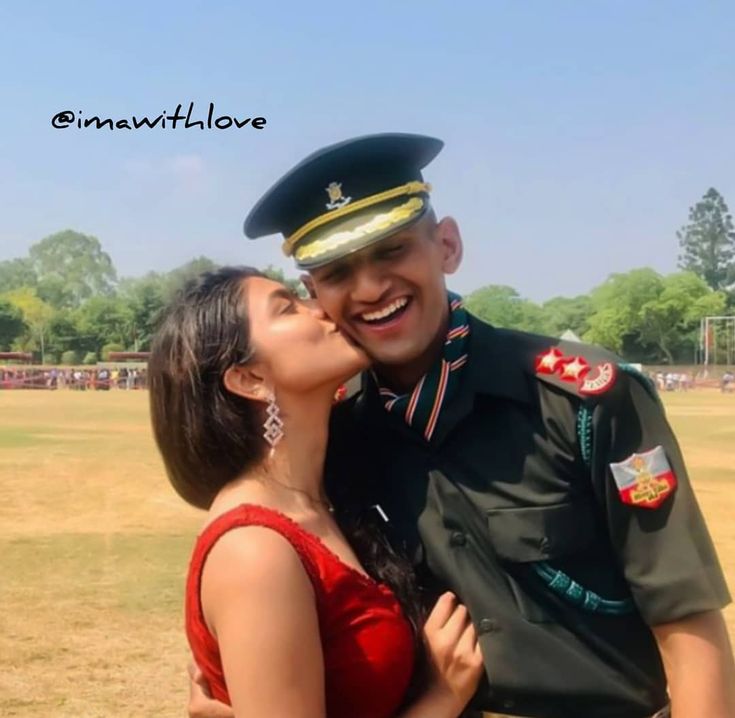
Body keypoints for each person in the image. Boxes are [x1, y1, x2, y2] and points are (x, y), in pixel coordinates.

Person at [191, 134, 734, 718]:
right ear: (315, 295)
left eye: (393, 251)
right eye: (338, 271)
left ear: (446, 245)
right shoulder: (339, 442)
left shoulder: (582, 400)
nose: (371, 289)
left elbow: (686, 618)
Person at [149, 267, 484, 718]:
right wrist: (442, 698)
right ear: (250, 379)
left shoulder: (326, 498)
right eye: (288, 308)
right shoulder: (255, 551)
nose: (322, 310)